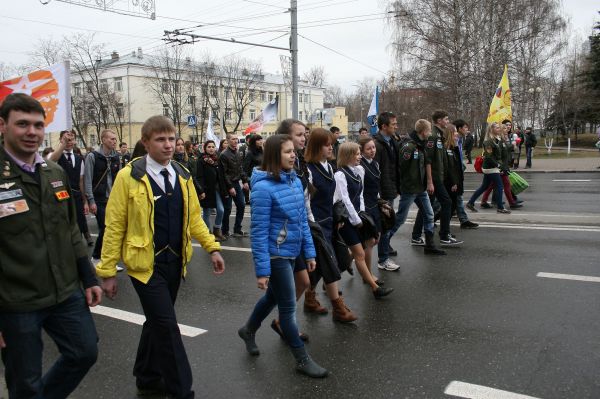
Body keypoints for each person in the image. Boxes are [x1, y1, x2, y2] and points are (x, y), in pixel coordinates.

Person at [96, 115, 225, 399]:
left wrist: (212, 247)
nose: (168, 145)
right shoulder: (128, 176)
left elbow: (194, 219)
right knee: (167, 327)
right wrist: (106, 270)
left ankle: (147, 374)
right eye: (160, 140)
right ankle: (182, 391)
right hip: (144, 266)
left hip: (175, 262)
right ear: (146, 142)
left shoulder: (182, 174)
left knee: (157, 321)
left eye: (171, 139)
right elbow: (114, 225)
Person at [0, 93, 102, 398]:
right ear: (2, 126)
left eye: (38, 125)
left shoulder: (54, 173)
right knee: (25, 382)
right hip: (16, 301)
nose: (32, 132)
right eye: (22, 124)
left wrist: (88, 277)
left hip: (64, 290)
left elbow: (70, 229)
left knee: (84, 352)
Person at [237, 134, 328, 378]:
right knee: (287, 308)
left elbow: (302, 222)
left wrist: (309, 252)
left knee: (272, 299)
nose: (293, 155)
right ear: (274, 155)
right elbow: (258, 233)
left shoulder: (294, 181)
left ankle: (248, 329)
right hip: (275, 255)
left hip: (291, 251)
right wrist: (262, 270)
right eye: (287, 151)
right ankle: (301, 359)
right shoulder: (263, 188)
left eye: (293, 151)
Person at [305, 128, 357, 322]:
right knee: (330, 264)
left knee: (334, 262)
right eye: (327, 145)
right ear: (318, 147)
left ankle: (310, 298)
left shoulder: (329, 167)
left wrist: (338, 216)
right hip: (316, 225)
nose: (331, 147)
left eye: (331, 144)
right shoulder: (309, 170)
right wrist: (313, 225)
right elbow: (307, 202)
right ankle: (338, 308)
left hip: (330, 222)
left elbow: (335, 196)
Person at [271, 119, 315, 333]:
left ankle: (259, 326)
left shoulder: (299, 163)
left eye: (304, 134)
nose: (303, 138)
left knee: (301, 282)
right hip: (281, 239)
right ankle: (288, 329)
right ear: (285, 137)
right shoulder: (275, 168)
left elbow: (303, 199)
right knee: (287, 290)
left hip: (297, 232)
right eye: (299, 134)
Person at [335, 142, 394, 298]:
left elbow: (360, 195)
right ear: (347, 156)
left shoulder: (359, 171)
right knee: (360, 253)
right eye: (357, 154)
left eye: (360, 153)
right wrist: (356, 219)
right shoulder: (340, 175)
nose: (360, 156)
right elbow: (345, 200)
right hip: (347, 220)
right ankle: (375, 288)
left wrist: (362, 214)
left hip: (359, 216)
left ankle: (331, 276)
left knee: (362, 248)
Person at [387, 120, 446, 256]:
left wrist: (429, 182)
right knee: (401, 217)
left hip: (420, 188)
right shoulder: (409, 147)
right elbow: (400, 168)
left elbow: (426, 163)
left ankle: (430, 245)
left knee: (429, 213)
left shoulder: (421, 145)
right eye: (429, 130)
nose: (430, 133)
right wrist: (400, 187)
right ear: (423, 132)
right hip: (409, 188)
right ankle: (385, 241)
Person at [411, 110, 463, 247]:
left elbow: (442, 160)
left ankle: (416, 236)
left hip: (438, 177)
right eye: (446, 119)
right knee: (446, 203)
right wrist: (430, 181)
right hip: (434, 178)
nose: (447, 121)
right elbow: (428, 160)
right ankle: (444, 235)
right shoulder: (433, 136)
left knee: (426, 207)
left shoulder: (439, 135)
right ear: (439, 121)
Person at [48, 129, 94, 246]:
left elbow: (81, 181)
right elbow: (51, 161)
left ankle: (86, 234)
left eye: (71, 139)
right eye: (66, 139)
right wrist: (62, 145)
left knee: (80, 217)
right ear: (61, 140)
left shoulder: (79, 158)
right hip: (61, 194)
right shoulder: (55, 155)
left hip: (76, 193)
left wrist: (85, 202)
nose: (69, 141)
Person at [84, 128, 121, 265]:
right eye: (111, 139)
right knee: (105, 228)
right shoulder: (92, 156)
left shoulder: (116, 157)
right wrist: (91, 201)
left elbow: (119, 179)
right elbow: (87, 180)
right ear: (103, 140)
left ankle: (108, 259)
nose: (114, 141)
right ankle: (96, 256)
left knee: (113, 230)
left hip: (113, 199)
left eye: (115, 139)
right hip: (99, 199)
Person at [373, 112, 401, 271]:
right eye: (393, 124)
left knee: (384, 226)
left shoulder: (392, 141)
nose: (396, 127)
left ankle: (353, 258)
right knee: (384, 226)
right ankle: (383, 259)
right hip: (382, 192)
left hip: (389, 189)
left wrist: (396, 188)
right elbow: (376, 172)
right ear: (384, 126)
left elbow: (394, 168)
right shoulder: (377, 145)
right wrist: (379, 196)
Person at [465, 122, 511, 214]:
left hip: (494, 166)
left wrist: (502, 165)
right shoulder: (488, 142)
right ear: (491, 129)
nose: (499, 129)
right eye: (497, 128)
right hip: (490, 167)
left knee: (484, 186)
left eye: (499, 127)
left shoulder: (497, 139)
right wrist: (499, 165)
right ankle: (500, 207)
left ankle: (470, 203)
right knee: (499, 186)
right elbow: (489, 157)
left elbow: (500, 154)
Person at [358, 136, 384, 283]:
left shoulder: (375, 164)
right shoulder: (360, 166)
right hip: (365, 206)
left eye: (373, 147)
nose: (372, 150)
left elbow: (377, 186)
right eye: (368, 148)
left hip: (374, 204)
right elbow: (358, 190)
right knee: (370, 241)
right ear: (361, 151)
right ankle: (367, 275)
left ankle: (342, 264)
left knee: (374, 241)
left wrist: (380, 201)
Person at [219, 134, 249, 238]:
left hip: (236, 183)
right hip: (227, 184)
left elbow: (240, 168)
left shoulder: (238, 152)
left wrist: (245, 181)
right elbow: (224, 173)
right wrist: (230, 187)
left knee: (241, 205)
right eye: (233, 139)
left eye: (236, 139)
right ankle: (225, 231)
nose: (236, 141)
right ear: (228, 140)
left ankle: (237, 229)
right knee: (227, 209)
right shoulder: (224, 154)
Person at [196, 140, 227, 241]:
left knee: (221, 210)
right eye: (209, 147)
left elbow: (221, 175)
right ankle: (208, 233)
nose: (211, 148)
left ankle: (217, 229)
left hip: (217, 189)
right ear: (205, 148)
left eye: (213, 147)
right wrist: (201, 190)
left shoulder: (217, 160)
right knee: (206, 212)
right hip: (206, 190)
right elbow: (199, 177)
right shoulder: (201, 160)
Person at [451, 120, 479, 229]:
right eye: (465, 127)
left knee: (457, 197)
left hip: (458, 169)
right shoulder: (455, 139)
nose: (467, 130)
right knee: (447, 199)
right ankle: (431, 219)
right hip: (454, 171)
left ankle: (463, 219)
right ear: (459, 129)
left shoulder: (461, 139)